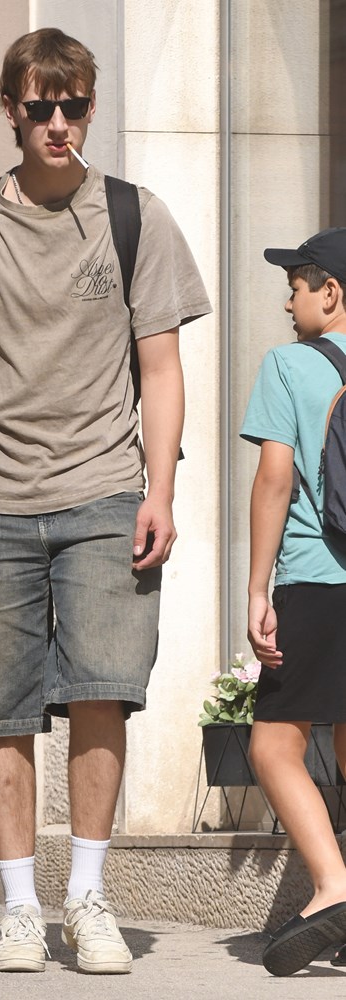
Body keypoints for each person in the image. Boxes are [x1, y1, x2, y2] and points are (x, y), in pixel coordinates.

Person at [0, 27, 210, 974]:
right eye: (40, 108)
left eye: (73, 106)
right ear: (11, 112)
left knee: (103, 691)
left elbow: (161, 365)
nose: (58, 124)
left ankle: (89, 897)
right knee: (0, 710)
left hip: (105, 492)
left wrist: (160, 489)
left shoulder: (135, 217)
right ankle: (20, 908)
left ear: (90, 107)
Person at [241, 227, 346, 976]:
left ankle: (334, 886)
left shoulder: (288, 364)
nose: (288, 302)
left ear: (330, 292)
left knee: (273, 744)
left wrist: (257, 587)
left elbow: (274, 478)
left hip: (315, 577)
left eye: (297, 286)